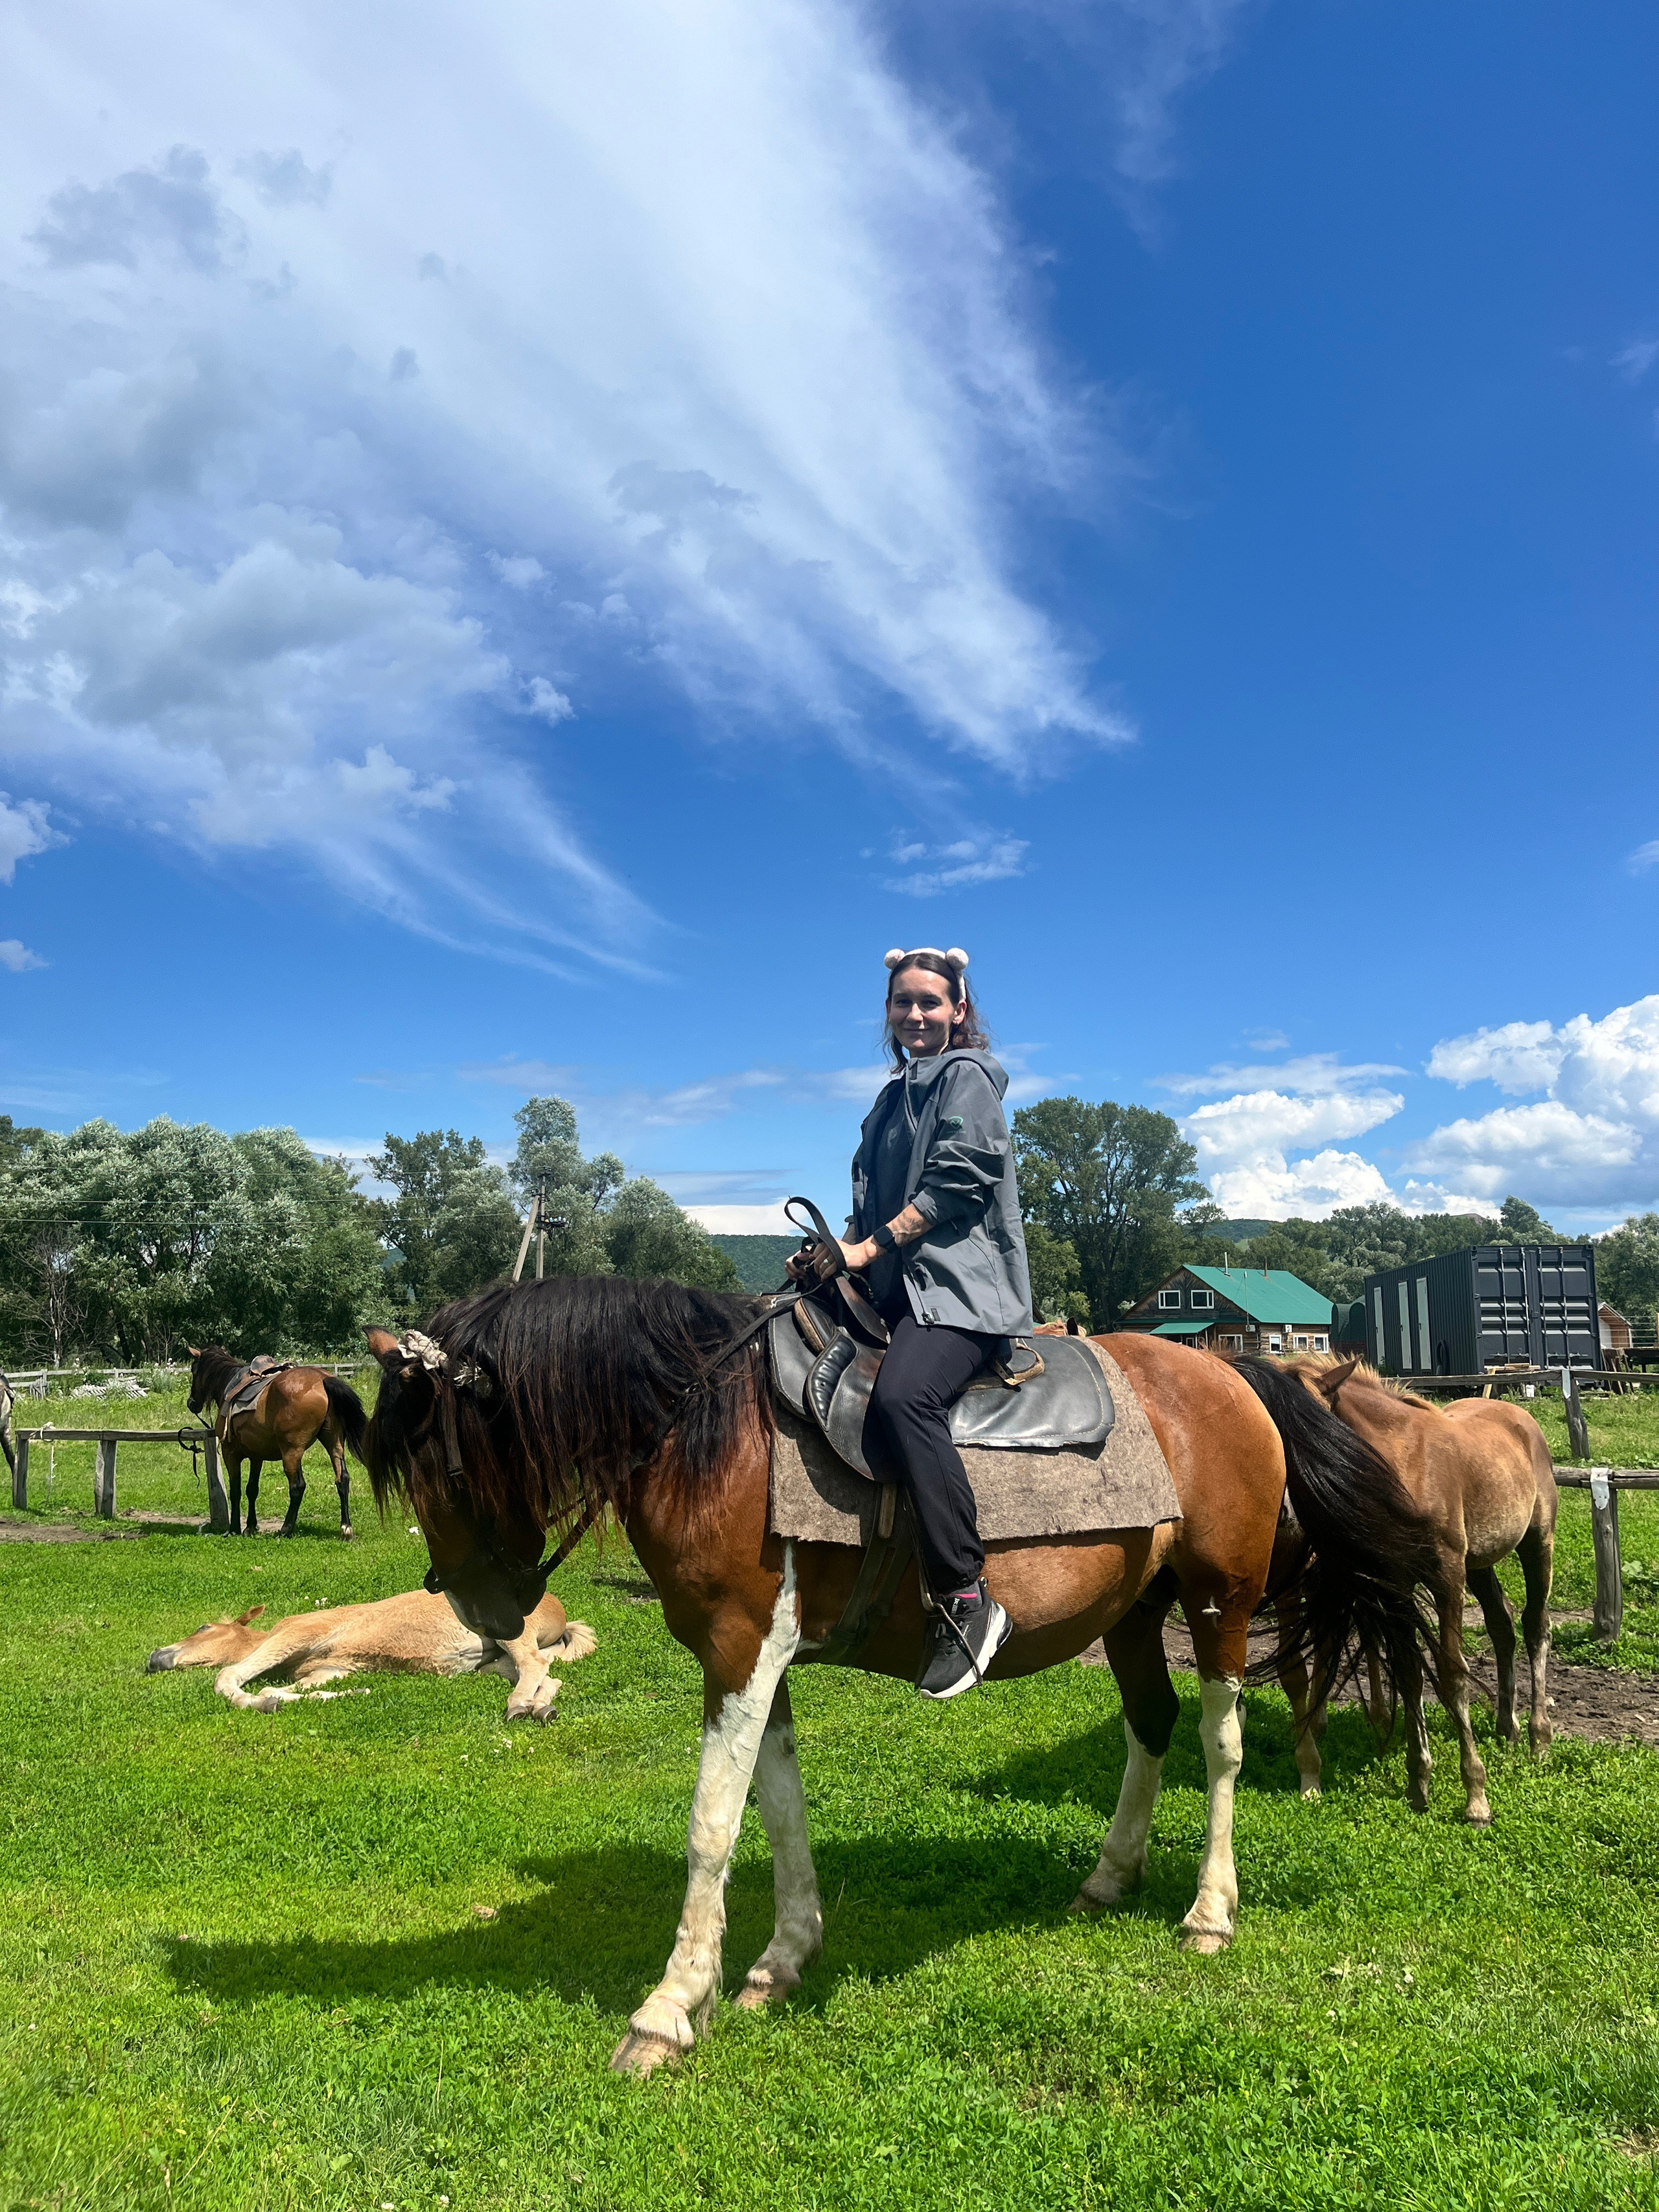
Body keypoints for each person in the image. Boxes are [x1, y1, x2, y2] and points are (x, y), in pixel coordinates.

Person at [808, 945, 1034, 1699]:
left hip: (961, 1294)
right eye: (902, 1002)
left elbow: (957, 1185)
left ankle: (966, 1596)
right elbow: (874, 1206)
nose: (914, 1014)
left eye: (930, 1002)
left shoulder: (967, 1079)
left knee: (906, 1397)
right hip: (895, 1288)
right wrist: (838, 1255)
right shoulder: (890, 1094)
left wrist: (870, 1245)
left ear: (958, 1010)